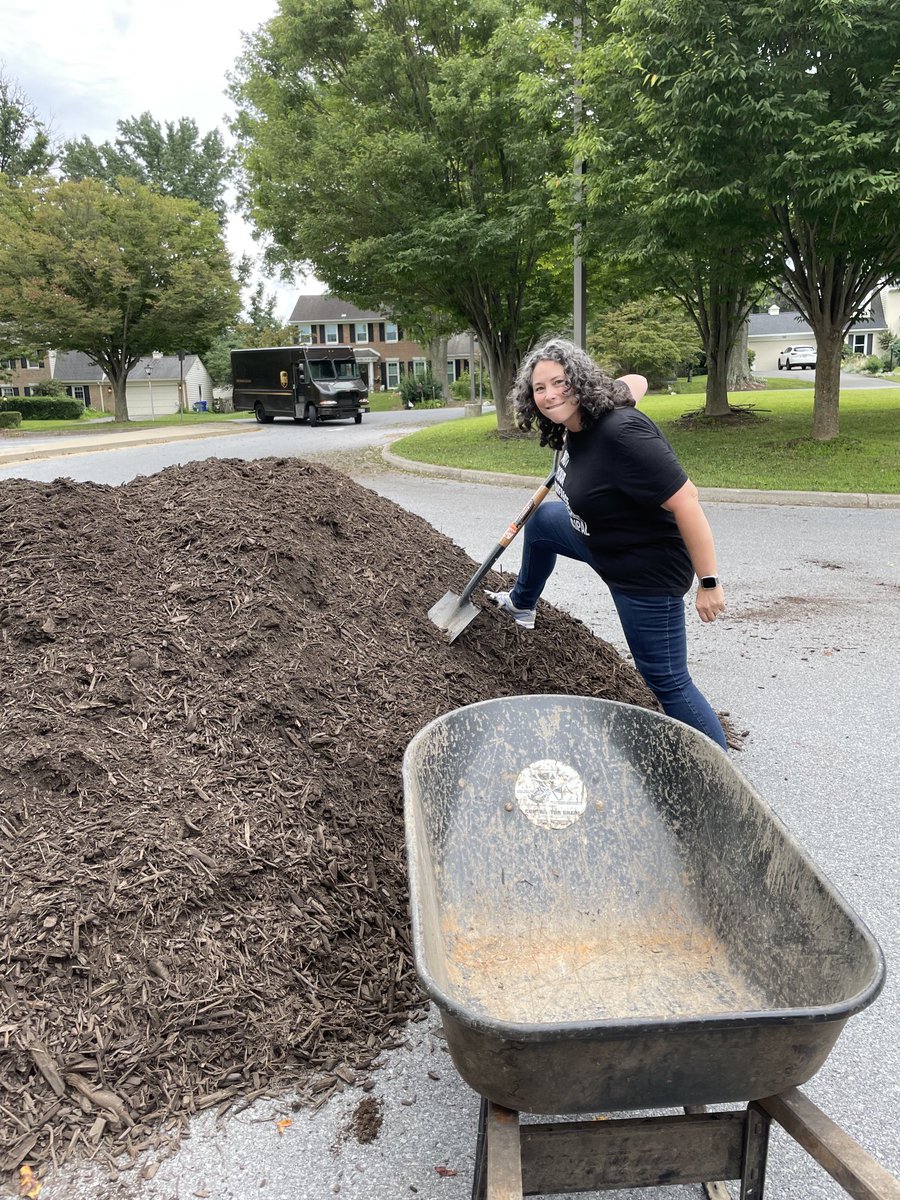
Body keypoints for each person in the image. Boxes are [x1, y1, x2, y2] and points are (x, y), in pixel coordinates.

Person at [486, 336, 728, 751]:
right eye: (540, 388)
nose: (550, 394)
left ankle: (720, 772)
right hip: (597, 538)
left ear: (580, 381)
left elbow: (688, 500)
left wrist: (709, 581)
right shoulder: (582, 419)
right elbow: (637, 380)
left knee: (666, 678)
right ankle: (521, 605)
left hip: (642, 570)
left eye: (560, 382)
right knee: (544, 520)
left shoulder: (621, 433)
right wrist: (593, 402)